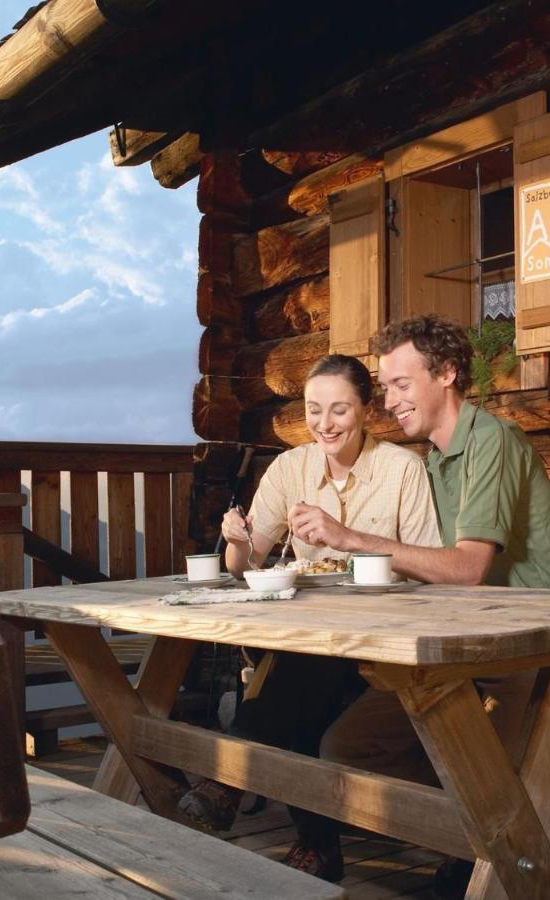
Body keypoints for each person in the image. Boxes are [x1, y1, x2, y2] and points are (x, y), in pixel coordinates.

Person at [285, 315, 550, 885]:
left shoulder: (490, 440)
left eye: (401, 383)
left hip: (537, 643)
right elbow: (432, 569)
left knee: (465, 753)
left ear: (446, 374)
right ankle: (495, 832)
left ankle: (505, 845)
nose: (390, 401)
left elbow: (467, 569)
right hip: (472, 640)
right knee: (347, 747)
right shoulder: (435, 461)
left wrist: (349, 539)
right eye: (385, 386)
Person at [176, 353, 442, 883]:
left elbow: (429, 565)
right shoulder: (290, 468)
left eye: (340, 409)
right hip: (314, 634)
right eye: (314, 410)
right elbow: (249, 562)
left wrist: (347, 540)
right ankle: (310, 839)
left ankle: (240, 782)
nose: (325, 423)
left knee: (295, 680)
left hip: (384, 635)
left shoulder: (401, 470)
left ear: (367, 409)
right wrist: (236, 541)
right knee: (304, 674)